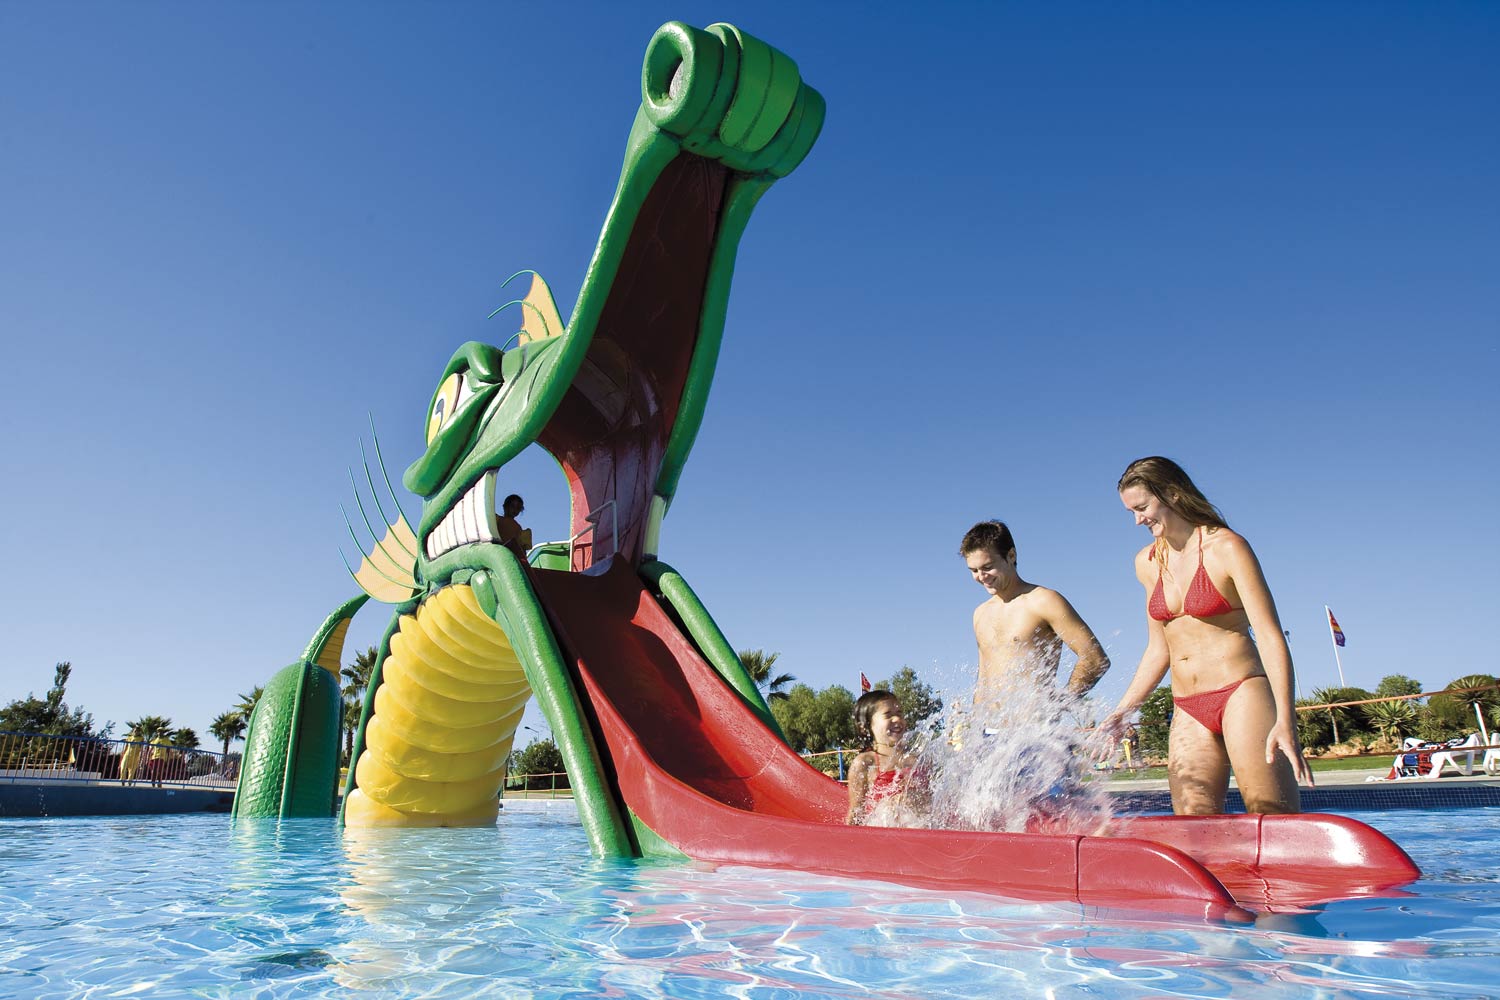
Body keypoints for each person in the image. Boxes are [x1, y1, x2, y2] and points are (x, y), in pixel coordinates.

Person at [1096, 456, 1314, 814]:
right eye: (1130, 512)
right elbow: (1158, 649)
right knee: (1192, 826)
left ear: (1173, 494)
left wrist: (1285, 720)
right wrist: (1123, 711)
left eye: (1142, 508)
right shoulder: (1147, 562)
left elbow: (1269, 635)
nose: (1137, 520)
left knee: (1273, 817)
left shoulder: (1227, 548)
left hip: (1241, 692)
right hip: (1187, 705)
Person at [960, 520, 1110, 705]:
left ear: (1011, 555)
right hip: (988, 723)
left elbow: (1095, 659)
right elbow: (984, 680)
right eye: (974, 570)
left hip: (1031, 720)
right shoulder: (980, 614)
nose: (981, 577)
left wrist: (1060, 704)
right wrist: (974, 717)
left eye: (988, 567)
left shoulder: (1044, 601)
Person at [845, 689, 925, 826]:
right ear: (866, 726)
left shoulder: (916, 760)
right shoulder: (866, 763)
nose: (897, 719)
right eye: (888, 715)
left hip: (916, 830)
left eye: (899, 713)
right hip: (883, 833)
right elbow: (856, 812)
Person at [495, 494, 530, 558]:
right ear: (505, 507)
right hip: (499, 551)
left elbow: (522, 547)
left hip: (512, 555)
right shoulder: (497, 519)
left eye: (518, 508)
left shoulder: (518, 527)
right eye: (512, 506)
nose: (515, 510)